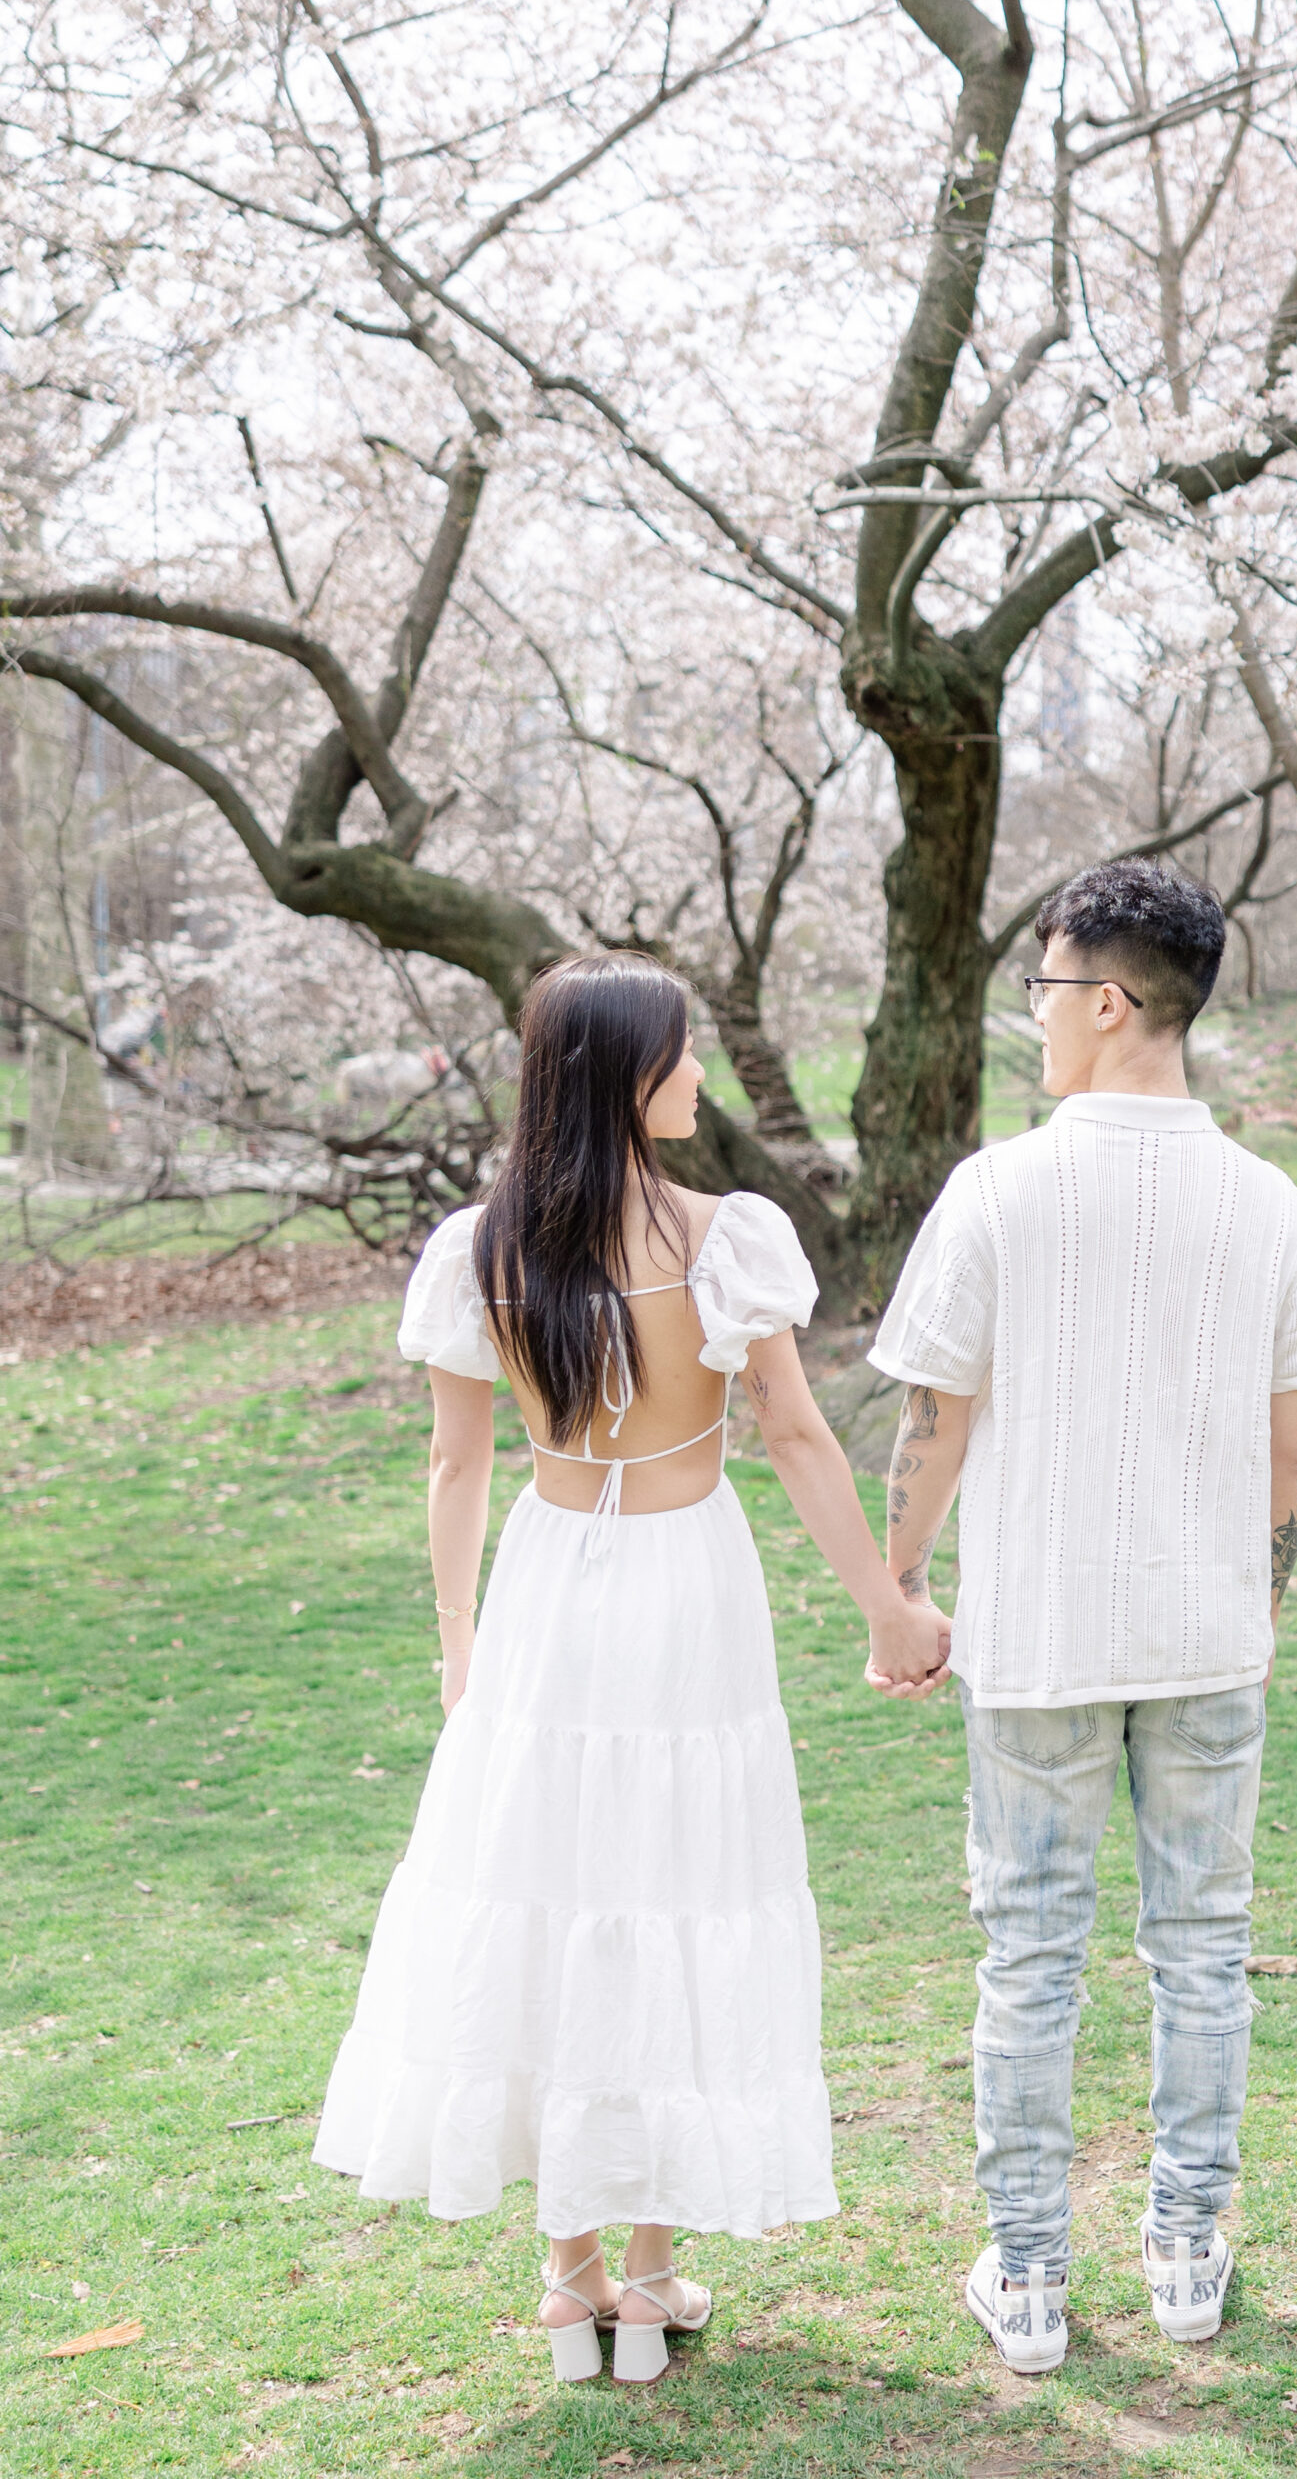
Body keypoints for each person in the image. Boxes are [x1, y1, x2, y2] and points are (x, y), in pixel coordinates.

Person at [313, 953, 950, 2385]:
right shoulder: (724, 1238)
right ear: (620, 1077)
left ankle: (568, 2280)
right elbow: (790, 1436)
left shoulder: (482, 1248)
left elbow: (455, 1462)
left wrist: (459, 1641)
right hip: (681, 1593)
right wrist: (886, 1609)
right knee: (667, 1891)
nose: (699, 1080)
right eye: (681, 1058)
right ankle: (648, 2276)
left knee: (556, 1890)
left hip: (546, 1588)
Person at [868, 858, 1297, 2373]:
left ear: (1111, 999)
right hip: (1207, 1636)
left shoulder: (997, 1192)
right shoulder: (1273, 1208)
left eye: (1044, 991)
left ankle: (1025, 2278)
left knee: (1029, 1958)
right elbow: (1291, 1457)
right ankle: (1186, 2253)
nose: (1035, 1021)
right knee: (1200, 1950)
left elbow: (933, 1424)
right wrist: (1257, 1604)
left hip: (1037, 1637)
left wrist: (904, 1588)